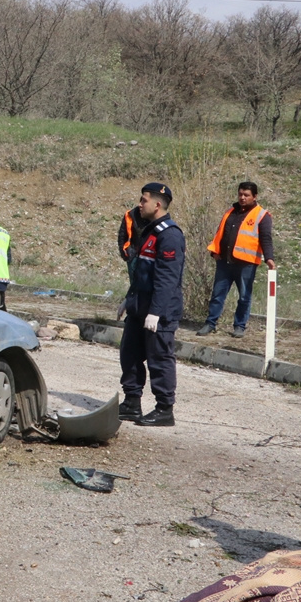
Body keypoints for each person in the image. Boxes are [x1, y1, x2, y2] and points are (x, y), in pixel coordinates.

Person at [118, 182, 185, 427]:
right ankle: (132, 403)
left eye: (144, 200)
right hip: (139, 306)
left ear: (157, 205)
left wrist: (156, 312)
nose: (140, 204)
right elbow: (141, 272)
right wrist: (129, 299)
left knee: (159, 359)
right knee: (130, 355)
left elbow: (167, 279)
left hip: (159, 311)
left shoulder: (169, 234)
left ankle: (164, 409)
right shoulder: (150, 230)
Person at [197, 182, 275, 339]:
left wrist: (269, 258)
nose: (242, 197)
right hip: (224, 262)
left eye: (246, 195)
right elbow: (220, 233)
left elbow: (266, 238)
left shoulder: (262, 215)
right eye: (240, 194)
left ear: (255, 196)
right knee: (217, 295)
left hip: (246, 264)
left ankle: (239, 326)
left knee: (244, 296)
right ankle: (210, 323)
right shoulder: (230, 212)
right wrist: (214, 252)